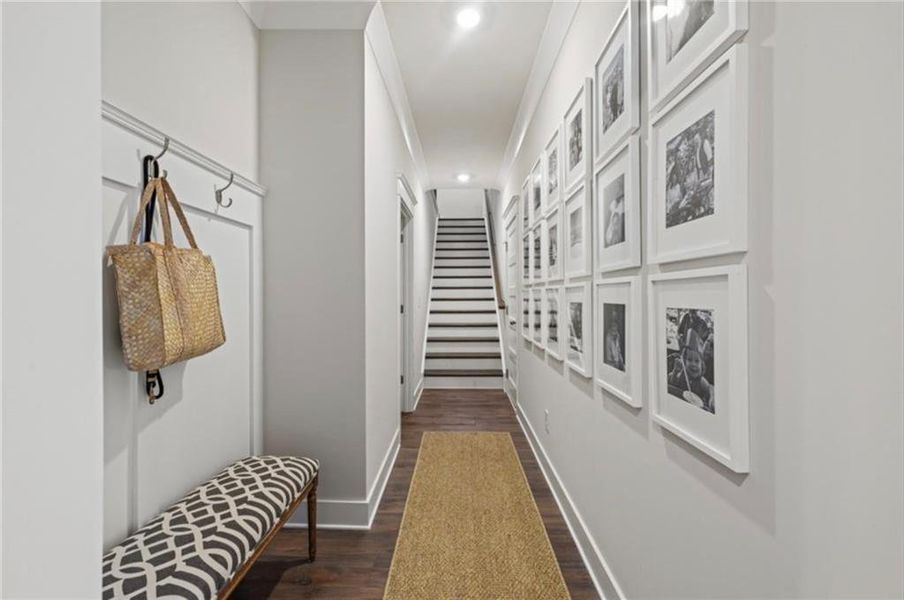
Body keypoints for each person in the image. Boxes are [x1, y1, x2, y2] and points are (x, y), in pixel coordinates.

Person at [668, 328, 714, 413]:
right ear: (684, 361)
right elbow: (670, 383)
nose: (693, 364)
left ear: (702, 365)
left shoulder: (702, 383)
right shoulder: (681, 374)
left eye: (697, 361)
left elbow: (709, 396)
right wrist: (675, 371)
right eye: (689, 359)